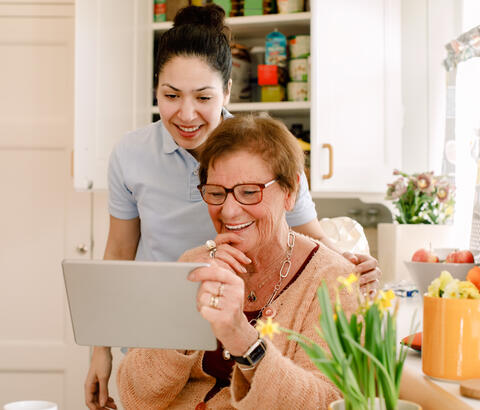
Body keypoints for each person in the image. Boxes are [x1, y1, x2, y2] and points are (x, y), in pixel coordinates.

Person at [84, 5, 380, 409]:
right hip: (166, 330)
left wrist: (350, 271)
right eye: (170, 95)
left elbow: (312, 245)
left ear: (226, 93)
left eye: (203, 97)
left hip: (249, 322)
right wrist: (99, 348)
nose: (186, 114)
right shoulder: (131, 155)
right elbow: (118, 253)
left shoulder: (266, 155)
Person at [117, 114, 359, 409]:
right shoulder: (194, 265)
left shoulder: (332, 281)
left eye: (248, 192)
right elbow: (135, 394)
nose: (229, 211)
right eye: (216, 193)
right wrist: (184, 310)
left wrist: (245, 341)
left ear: (290, 192)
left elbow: (328, 402)